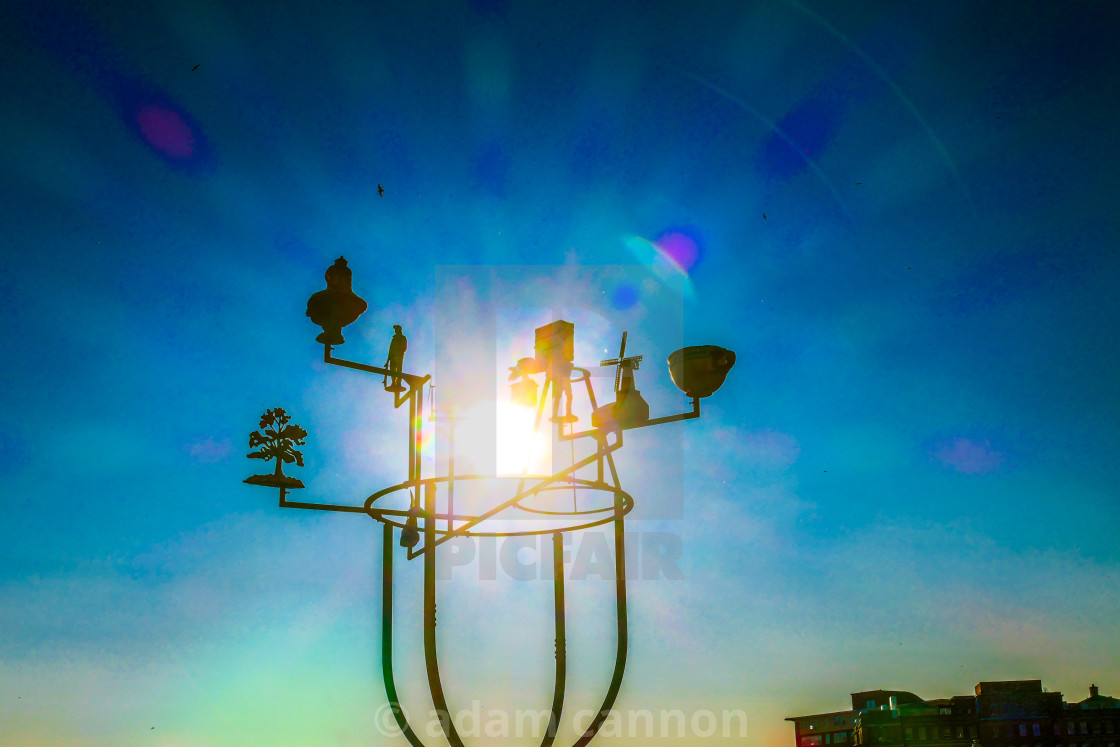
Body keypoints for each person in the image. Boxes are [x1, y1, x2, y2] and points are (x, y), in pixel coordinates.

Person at [385, 325, 407, 390]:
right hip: (392, 356)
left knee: (399, 370)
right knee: (392, 370)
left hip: (399, 356)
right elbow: (390, 349)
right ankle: (393, 383)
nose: (395, 330)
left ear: (399, 329)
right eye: (395, 329)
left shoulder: (403, 337)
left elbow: (404, 348)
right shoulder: (394, 338)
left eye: (396, 329)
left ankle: (398, 383)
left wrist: (400, 353)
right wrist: (388, 360)